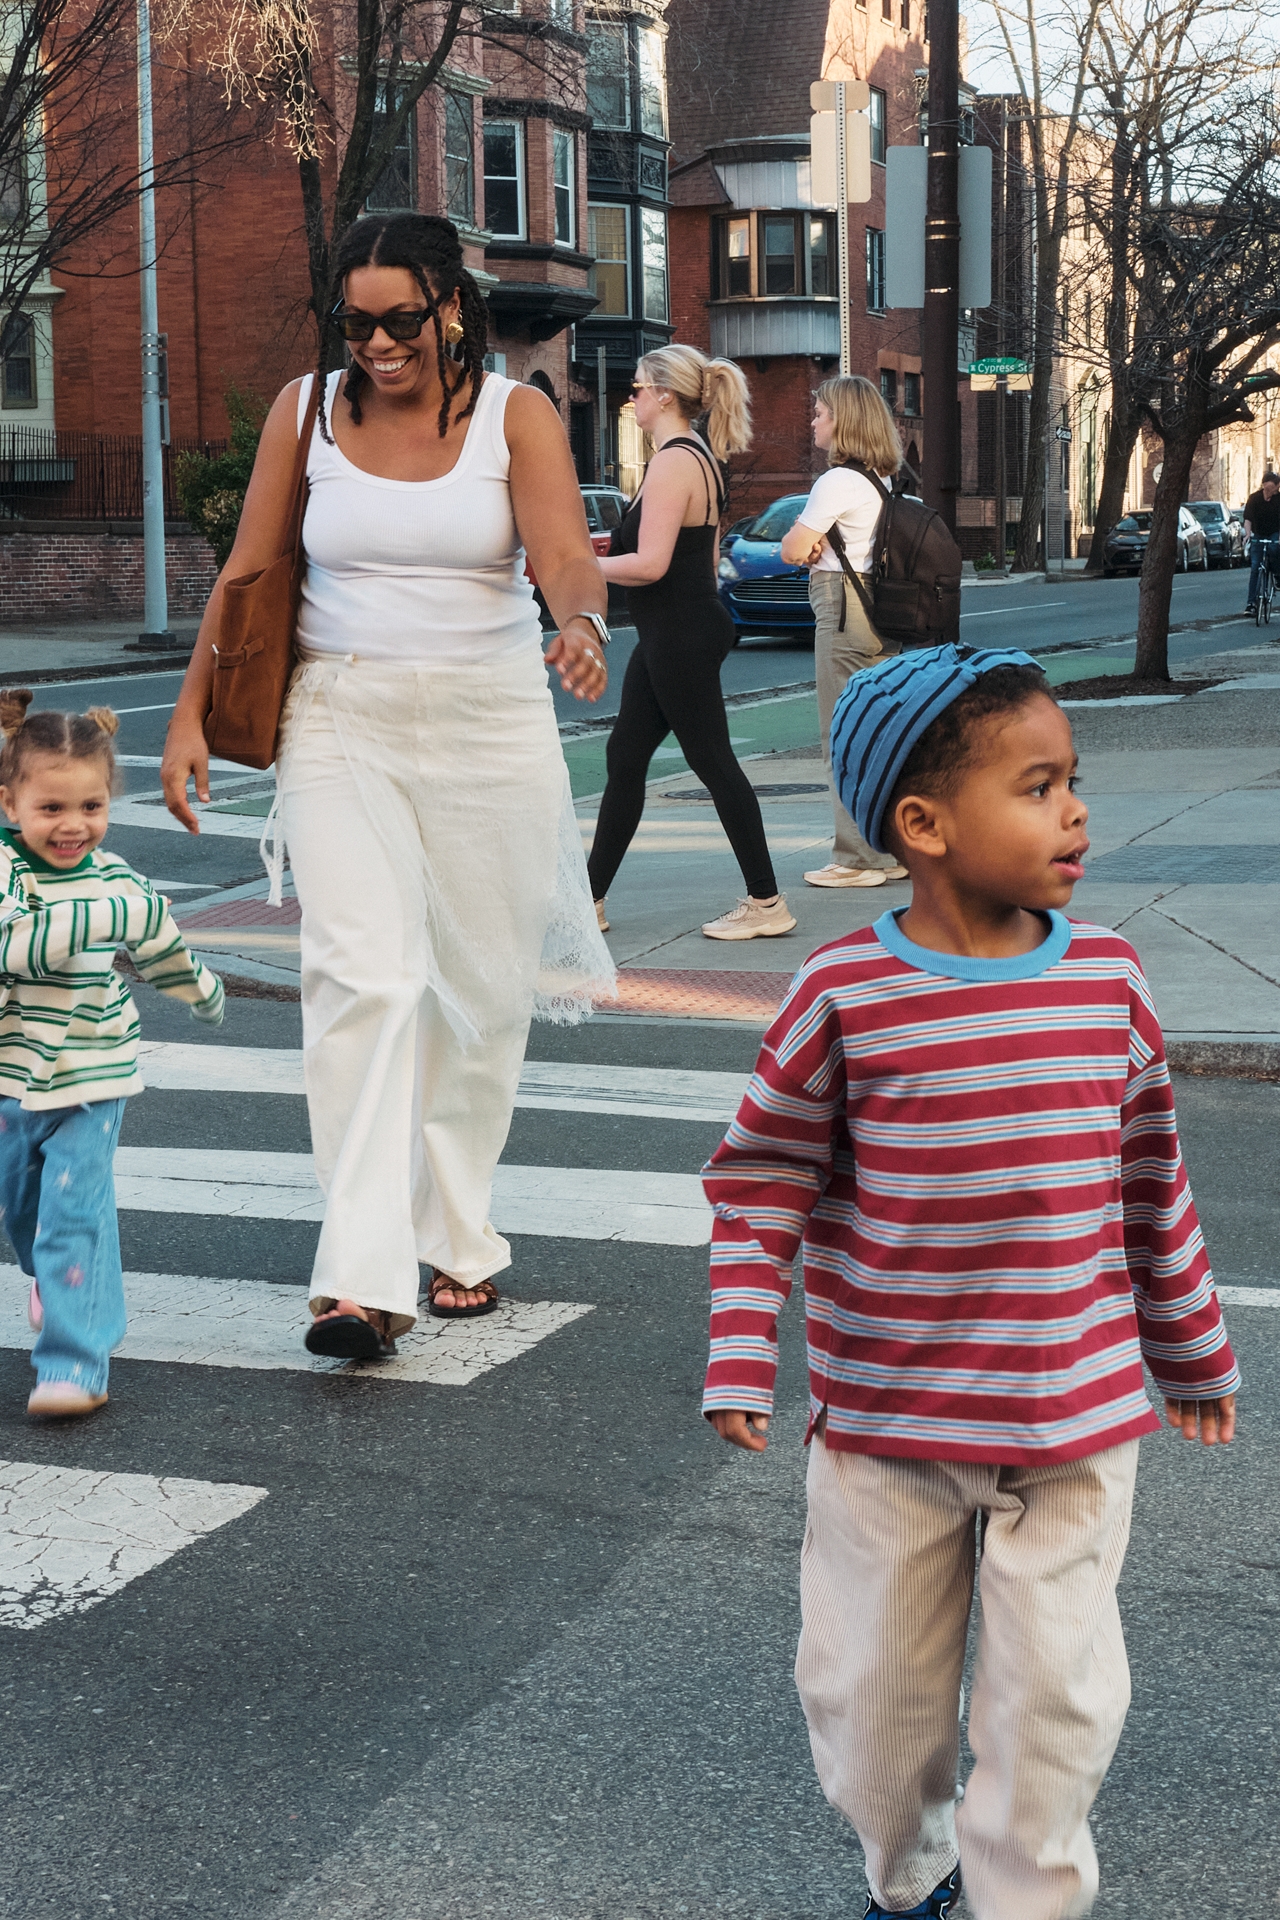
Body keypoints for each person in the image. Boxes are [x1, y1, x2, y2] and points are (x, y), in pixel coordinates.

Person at [702, 644, 1239, 1920]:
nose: (1074, 811)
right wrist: (738, 1349)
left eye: (1072, 782)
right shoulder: (843, 993)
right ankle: (909, 1877)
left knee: (1054, 1713)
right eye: (1036, 785)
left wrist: (1191, 1351)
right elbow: (760, 1179)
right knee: (875, 1726)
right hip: (888, 1429)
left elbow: (1147, 1182)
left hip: (1072, 1423)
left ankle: (1021, 1902)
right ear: (923, 824)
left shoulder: (1107, 982)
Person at [161, 211, 614, 1361]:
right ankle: (359, 1273)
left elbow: (561, 550)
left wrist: (580, 620)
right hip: (340, 717)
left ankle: (456, 1226)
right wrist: (185, 718)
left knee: (480, 990)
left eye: (398, 320)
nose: (376, 343)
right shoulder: (305, 411)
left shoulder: (515, 414)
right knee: (361, 977)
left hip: (489, 722)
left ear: (450, 306)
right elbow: (250, 569)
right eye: (355, 322)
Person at [0, 694, 224, 1418]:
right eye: (52, 807)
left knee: (73, 1214)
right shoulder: (9, 877)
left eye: (91, 806)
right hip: (10, 1074)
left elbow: (162, 946)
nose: (73, 825)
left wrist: (203, 992)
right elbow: (13, 948)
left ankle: (75, 1364)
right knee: (24, 1211)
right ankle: (54, 1277)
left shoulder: (120, 880)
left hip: (94, 1073)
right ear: (11, 805)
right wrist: (107, 914)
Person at [587, 344, 795, 943]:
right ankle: (590, 899)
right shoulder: (694, 457)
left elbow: (650, 565)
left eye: (637, 389)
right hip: (677, 630)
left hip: (678, 634)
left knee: (714, 763)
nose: (632, 398)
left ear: (664, 396)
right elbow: (698, 560)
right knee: (625, 756)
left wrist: (578, 560)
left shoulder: (675, 462)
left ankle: (766, 901)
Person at [779, 374, 908, 891]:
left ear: (844, 421)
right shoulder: (880, 479)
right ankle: (887, 851)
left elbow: (792, 549)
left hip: (841, 608)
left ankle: (858, 858)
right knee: (877, 734)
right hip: (878, 610)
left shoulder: (836, 481)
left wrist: (804, 548)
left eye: (821, 413)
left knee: (842, 735)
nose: (814, 420)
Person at [1242, 469, 1280, 612]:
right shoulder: (1254, 499)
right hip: (1258, 533)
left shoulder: (1278, 500)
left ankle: (1277, 574)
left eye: (1274, 488)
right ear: (1264, 485)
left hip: (1274, 533)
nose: (1270, 491)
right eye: (1268, 487)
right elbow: (1248, 518)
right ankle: (1251, 603)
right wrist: (1247, 534)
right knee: (1255, 567)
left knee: (1274, 548)